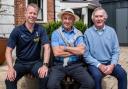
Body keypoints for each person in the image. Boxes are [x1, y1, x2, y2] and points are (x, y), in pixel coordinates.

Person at [5, 3, 50, 89]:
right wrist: (10, 68)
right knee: (9, 79)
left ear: (37, 16)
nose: (32, 15)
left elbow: (47, 47)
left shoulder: (41, 29)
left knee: (45, 76)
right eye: (30, 13)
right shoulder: (17, 31)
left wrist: (45, 65)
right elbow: (8, 51)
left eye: (34, 13)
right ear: (25, 13)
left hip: (35, 62)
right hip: (21, 63)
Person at [47, 8, 94, 89]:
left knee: (90, 84)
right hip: (59, 65)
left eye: (70, 19)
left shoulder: (78, 33)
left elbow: (82, 51)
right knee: (51, 86)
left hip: (75, 64)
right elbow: (56, 53)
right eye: (65, 18)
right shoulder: (56, 33)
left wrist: (64, 48)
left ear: (73, 21)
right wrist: (75, 50)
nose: (67, 21)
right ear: (62, 19)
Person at [83, 7, 127, 89]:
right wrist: (99, 65)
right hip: (94, 64)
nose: (98, 19)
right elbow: (86, 55)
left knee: (122, 74)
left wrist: (112, 65)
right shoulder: (87, 33)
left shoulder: (111, 31)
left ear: (105, 18)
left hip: (109, 62)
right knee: (97, 76)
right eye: (96, 16)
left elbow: (116, 51)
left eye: (101, 16)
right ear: (93, 19)